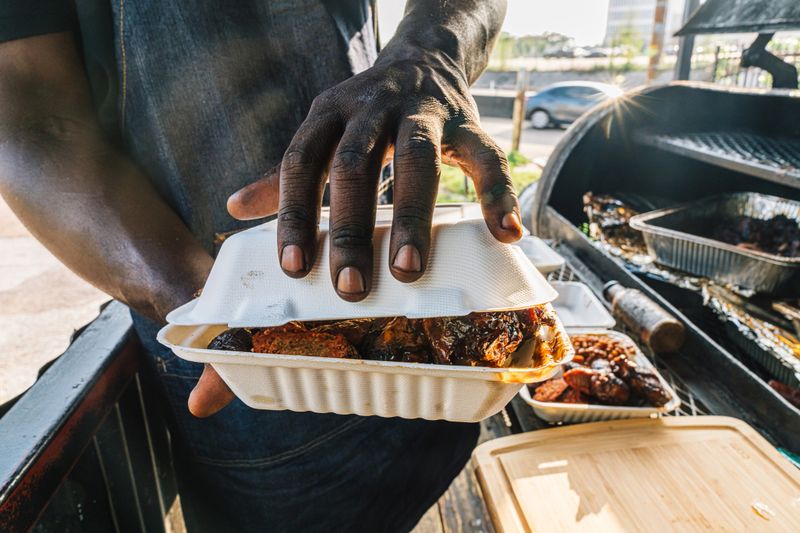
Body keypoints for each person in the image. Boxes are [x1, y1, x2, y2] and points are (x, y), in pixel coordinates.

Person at [0, 1, 522, 530]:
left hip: (426, 343)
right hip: (257, 400)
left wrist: (431, 52)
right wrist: (213, 311)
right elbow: (33, 122)